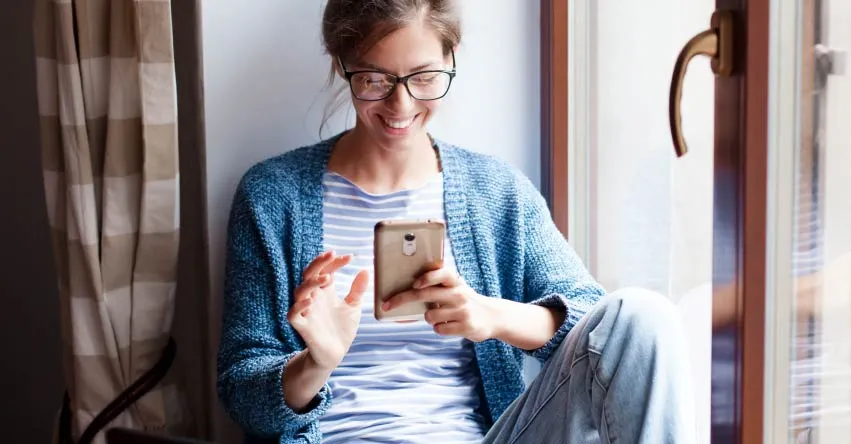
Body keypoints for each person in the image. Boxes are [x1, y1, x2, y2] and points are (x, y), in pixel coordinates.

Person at [215, 1, 694, 443]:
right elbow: (241, 390)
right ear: (342, 65)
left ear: (451, 57)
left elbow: (597, 327)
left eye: (423, 77)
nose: (401, 106)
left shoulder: (496, 191)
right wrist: (315, 363)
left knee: (642, 315)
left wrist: (488, 315)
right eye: (375, 79)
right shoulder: (272, 196)